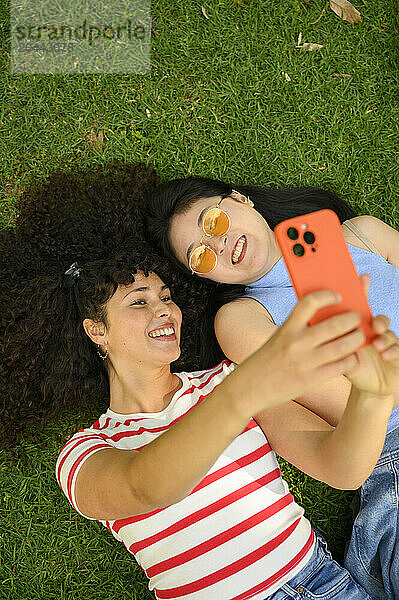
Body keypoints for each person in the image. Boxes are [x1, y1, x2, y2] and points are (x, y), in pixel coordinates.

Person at [144, 176, 399, 599]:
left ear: (240, 199)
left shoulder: (362, 234)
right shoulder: (242, 319)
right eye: (201, 257)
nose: (219, 246)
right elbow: (346, 404)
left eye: (216, 221)